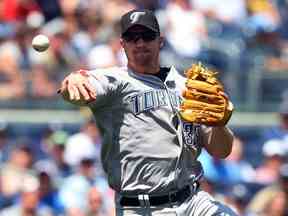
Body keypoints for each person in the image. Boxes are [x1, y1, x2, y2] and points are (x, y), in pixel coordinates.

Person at [58, 9, 237, 216]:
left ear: (160, 41)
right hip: (141, 208)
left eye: (147, 36)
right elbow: (76, 90)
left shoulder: (189, 87)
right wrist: (73, 80)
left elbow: (221, 151)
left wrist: (219, 124)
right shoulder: (117, 82)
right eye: (132, 38)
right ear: (122, 44)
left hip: (193, 201)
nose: (140, 43)